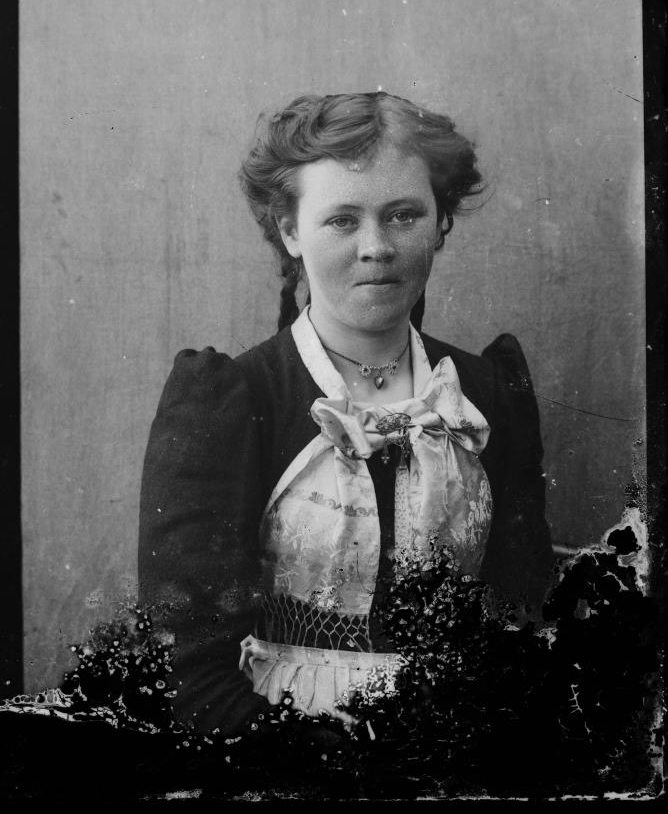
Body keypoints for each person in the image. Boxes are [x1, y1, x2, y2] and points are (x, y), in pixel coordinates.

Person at [138, 91, 554, 739]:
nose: (376, 247)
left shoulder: (486, 392)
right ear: (290, 231)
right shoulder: (235, 400)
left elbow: (521, 616)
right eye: (341, 220)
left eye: (404, 215)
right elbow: (188, 675)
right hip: (280, 754)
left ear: (440, 223)